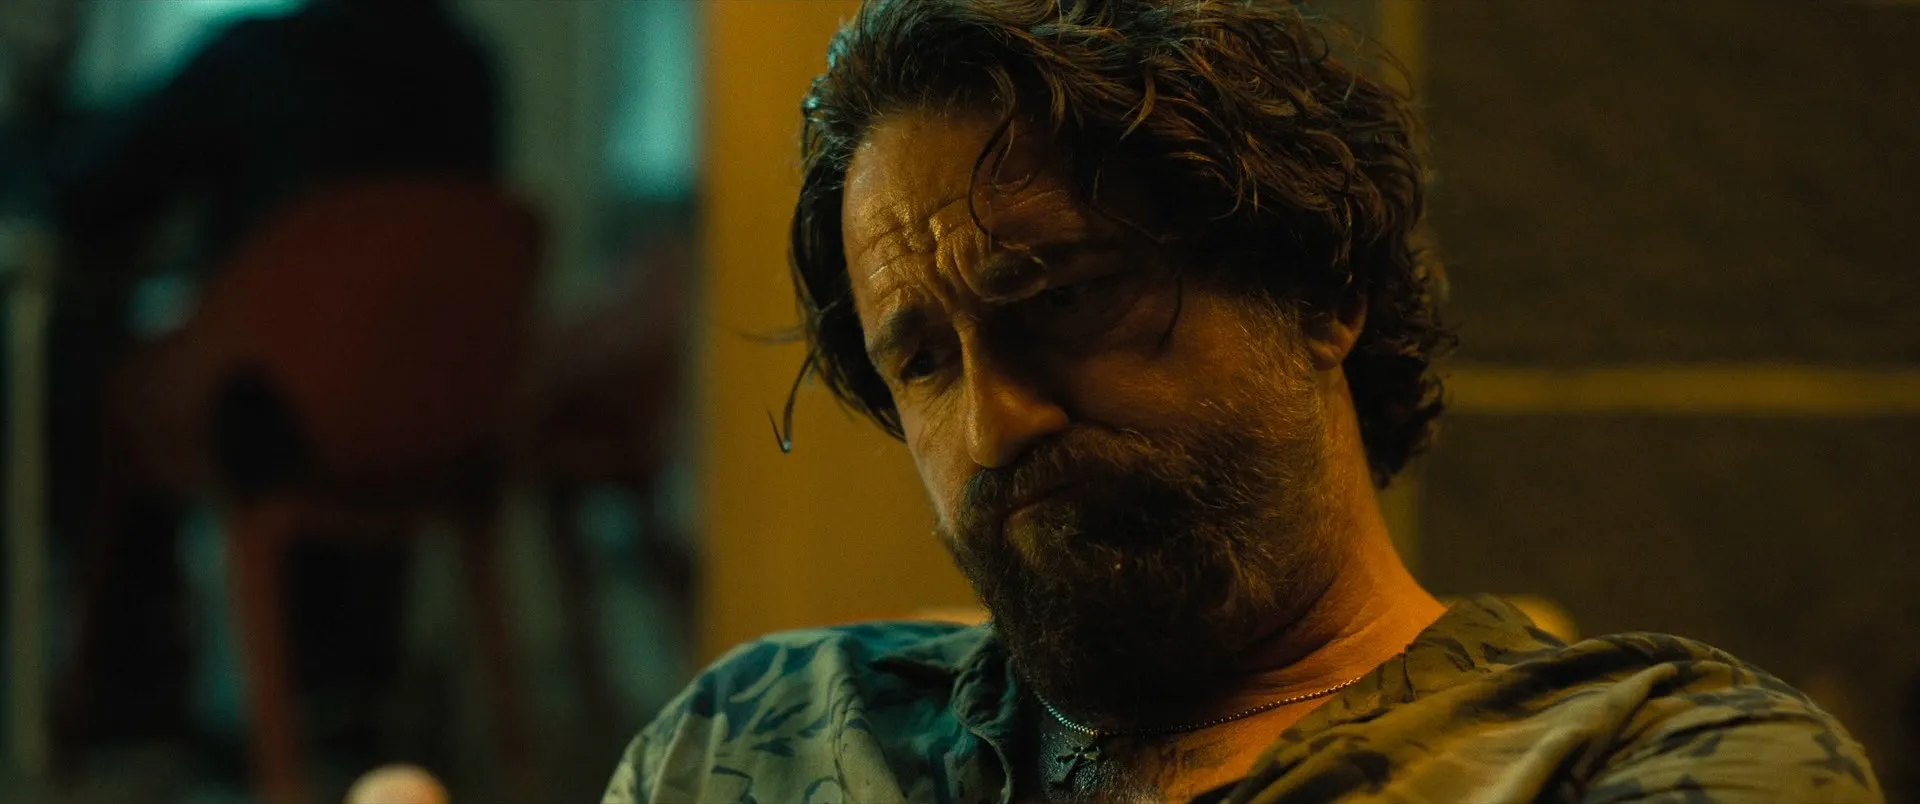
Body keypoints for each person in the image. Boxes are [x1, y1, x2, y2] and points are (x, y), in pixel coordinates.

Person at [603, 1, 1883, 801]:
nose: (995, 426)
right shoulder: (757, 739)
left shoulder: (1649, 759)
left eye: (1067, 299)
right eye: (925, 362)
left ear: (1317, 290)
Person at [46, 0, 499, 771]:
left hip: (273, 415)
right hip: (440, 417)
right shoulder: (470, 68)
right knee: (346, 369)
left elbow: (90, 193)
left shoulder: (254, 59)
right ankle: (349, 691)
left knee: (95, 362)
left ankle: (131, 687)